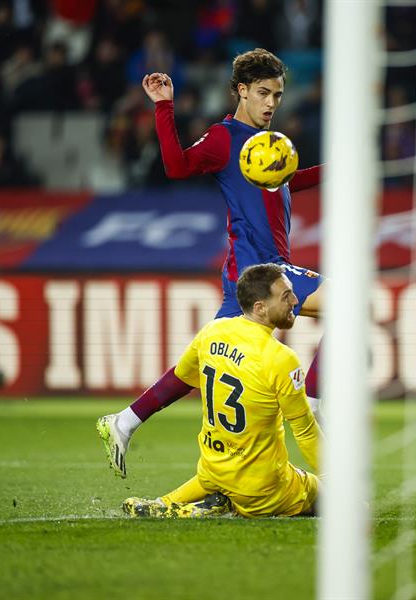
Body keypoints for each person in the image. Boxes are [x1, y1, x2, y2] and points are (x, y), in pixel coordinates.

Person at [97, 48, 325, 479]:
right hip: (260, 270)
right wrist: (164, 106)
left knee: (203, 358)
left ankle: (125, 421)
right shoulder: (225, 138)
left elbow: (286, 181)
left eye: (277, 95)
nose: (272, 103)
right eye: (263, 93)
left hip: (251, 273)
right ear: (242, 90)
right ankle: (313, 400)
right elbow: (177, 167)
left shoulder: (268, 145)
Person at [122, 263, 322, 519]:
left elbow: (182, 377)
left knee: (219, 476)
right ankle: (190, 511)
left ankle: (165, 503)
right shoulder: (281, 358)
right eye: (286, 296)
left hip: (214, 471)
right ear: (260, 307)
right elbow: (305, 431)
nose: (295, 301)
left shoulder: (212, 331)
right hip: (263, 490)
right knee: (333, 496)